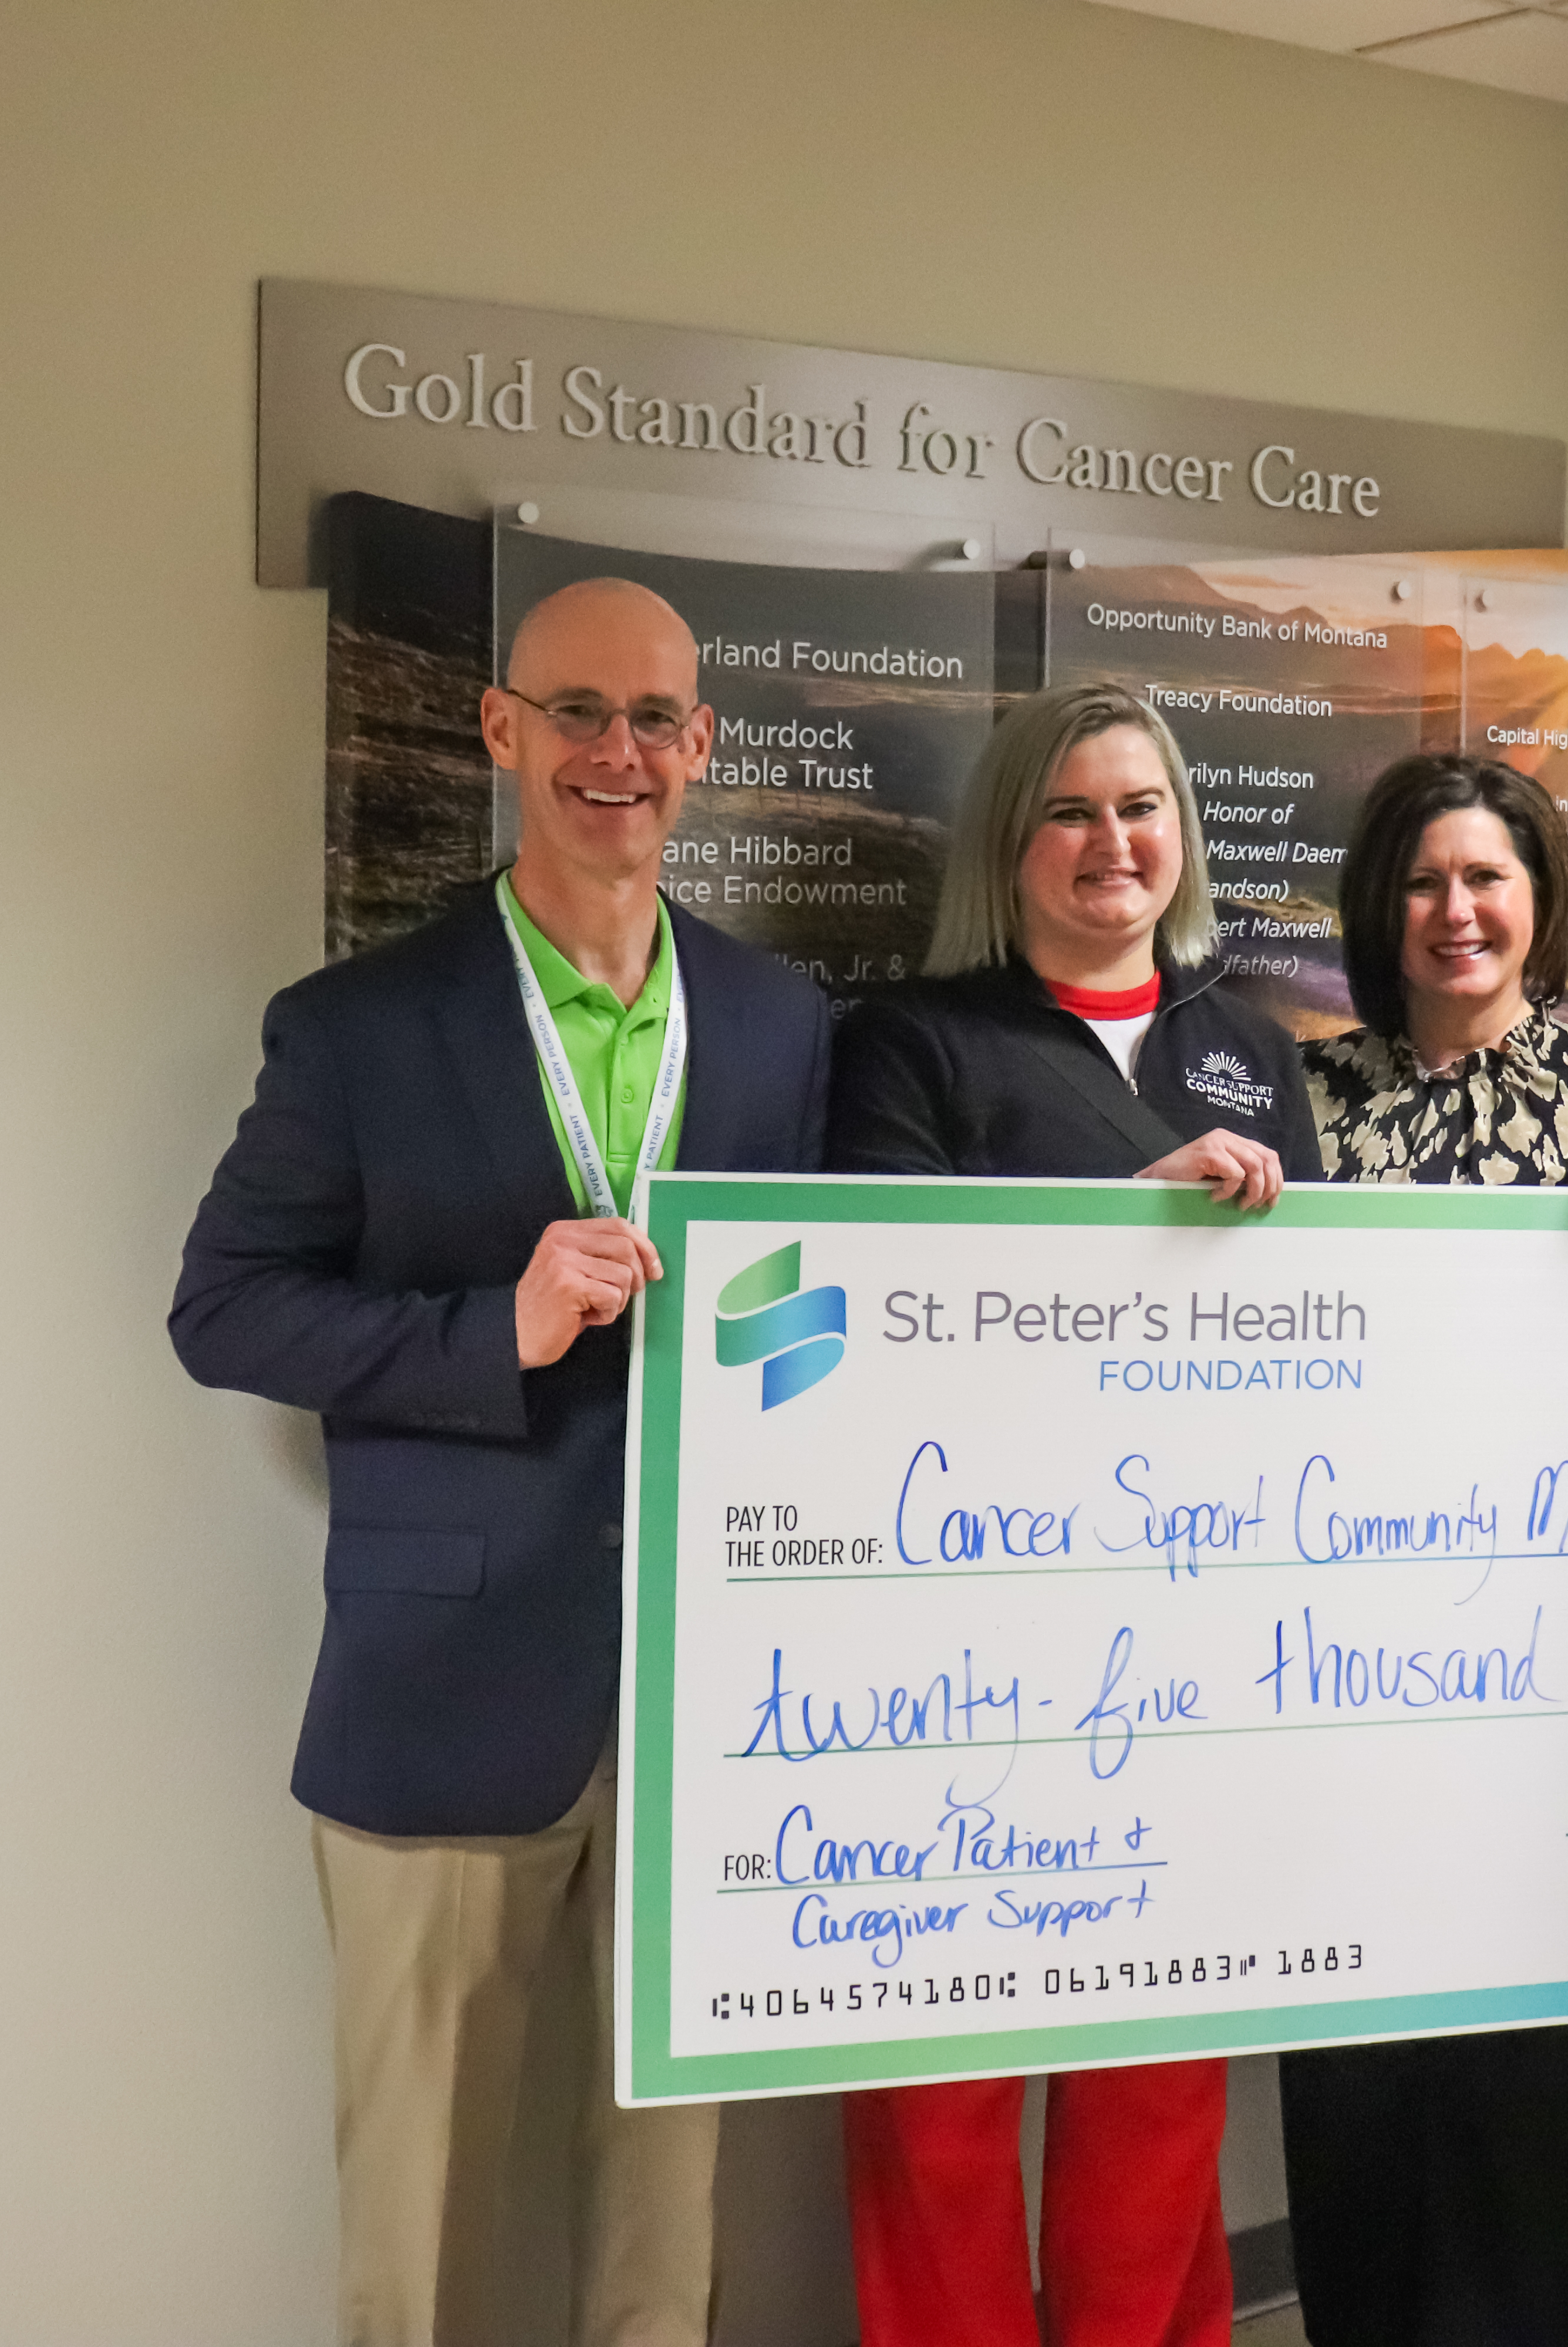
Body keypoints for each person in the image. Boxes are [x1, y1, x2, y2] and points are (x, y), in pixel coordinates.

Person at [170, 576, 831, 2347]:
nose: (616, 754)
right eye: (577, 713)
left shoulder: (779, 1023)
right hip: (444, 1691)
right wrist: (495, 1333)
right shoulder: (360, 1026)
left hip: (711, 1710)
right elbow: (224, 1314)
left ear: (700, 748)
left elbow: (831, 1315)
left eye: (653, 721)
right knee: (429, 2219)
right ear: (502, 729)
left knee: (663, 2227)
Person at [821, 681, 1315, 2347]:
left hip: (1186, 1644)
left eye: (1144, 808)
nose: (1116, 843)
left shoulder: (1248, 1051)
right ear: (1012, 842)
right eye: (1076, 811)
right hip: (953, 1651)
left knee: (1155, 2089)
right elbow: (887, 1312)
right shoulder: (911, 1042)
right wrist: (1124, 1216)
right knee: (939, 2104)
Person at [1280, 751, 1568, 2347]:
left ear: (1540, 902)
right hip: (1340, 1686)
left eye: (1488, 878)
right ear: (1378, 907)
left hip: (1557, 1697)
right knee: (1351, 2095)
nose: (1455, 911)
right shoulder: (1298, 1106)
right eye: (1422, 881)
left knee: (1524, 2102)